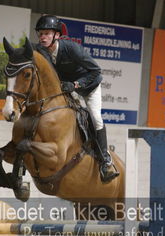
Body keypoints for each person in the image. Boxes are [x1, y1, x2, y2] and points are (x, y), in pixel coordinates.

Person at [34, 14, 119, 183]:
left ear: (57, 35)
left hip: (89, 85)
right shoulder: (41, 51)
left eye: (47, 33)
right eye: (41, 33)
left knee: (95, 117)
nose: (43, 37)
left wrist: (76, 85)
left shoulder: (71, 48)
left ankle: (105, 160)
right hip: (67, 87)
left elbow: (96, 71)